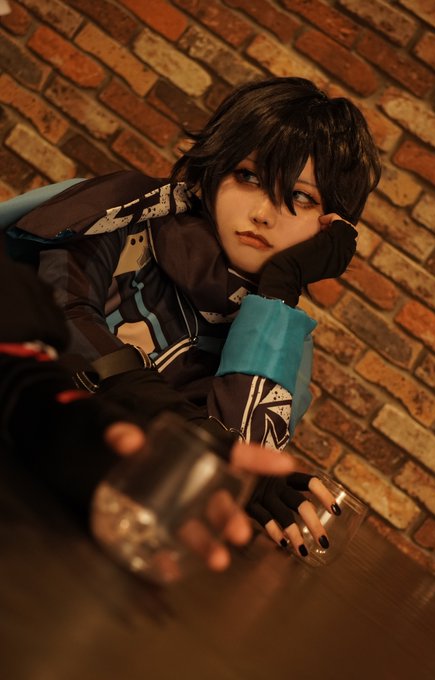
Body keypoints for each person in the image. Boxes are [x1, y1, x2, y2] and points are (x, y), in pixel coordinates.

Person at [5, 76, 380, 557]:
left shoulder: (286, 345)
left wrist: (280, 285)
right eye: (249, 176)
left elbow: (221, 477)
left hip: (90, 528)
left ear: (330, 228)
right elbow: (62, 313)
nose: (264, 213)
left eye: (301, 197)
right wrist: (171, 418)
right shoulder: (126, 212)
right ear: (216, 170)